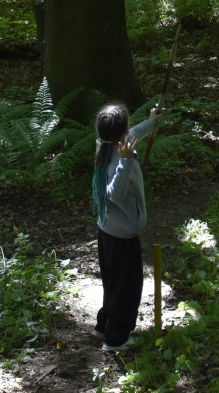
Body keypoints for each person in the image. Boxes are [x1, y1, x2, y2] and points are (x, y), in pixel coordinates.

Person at [91, 102, 162, 352]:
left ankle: (104, 324)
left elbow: (137, 133)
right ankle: (116, 338)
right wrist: (125, 163)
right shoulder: (117, 158)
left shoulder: (109, 143)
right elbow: (116, 194)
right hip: (121, 235)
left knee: (113, 281)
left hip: (107, 229)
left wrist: (152, 121)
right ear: (123, 131)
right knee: (127, 286)